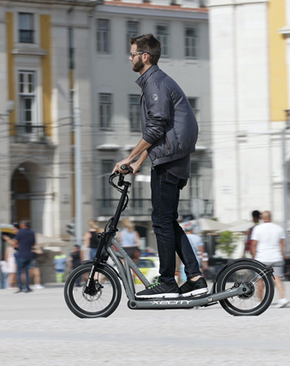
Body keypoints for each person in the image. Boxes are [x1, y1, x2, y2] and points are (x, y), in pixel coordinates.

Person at [113, 34, 203, 299]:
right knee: (167, 220)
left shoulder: (155, 83)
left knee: (161, 221)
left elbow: (156, 127)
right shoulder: (156, 82)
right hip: (171, 159)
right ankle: (195, 277)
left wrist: (128, 158)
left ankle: (167, 281)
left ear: (145, 56)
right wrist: (140, 162)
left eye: (132, 54)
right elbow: (161, 132)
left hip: (169, 162)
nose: (129, 58)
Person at [251, 211, 288, 308]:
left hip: (262, 258)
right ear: (271, 217)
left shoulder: (257, 228)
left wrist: (254, 257)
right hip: (276, 257)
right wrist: (283, 255)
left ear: (262, 218)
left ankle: (260, 301)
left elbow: (254, 244)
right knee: (277, 279)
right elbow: (282, 244)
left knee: (260, 280)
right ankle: (283, 298)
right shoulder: (279, 228)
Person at [10, 220, 35, 293]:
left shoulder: (20, 232)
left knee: (19, 272)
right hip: (29, 254)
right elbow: (33, 243)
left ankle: (20, 287)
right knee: (27, 272)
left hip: (21, 254)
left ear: (23, 225)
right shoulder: (32, 232)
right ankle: (27, 287)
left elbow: (15, 242)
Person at [2, 223, 19, 289]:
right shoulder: (9, 247)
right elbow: (7, 253)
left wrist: (8, 239)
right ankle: (10, 285)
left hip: (14, 258)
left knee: (14, 273)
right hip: (11, 260)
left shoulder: (16, 239)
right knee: (12, 273)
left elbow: (14, 245)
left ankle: (13, 284)